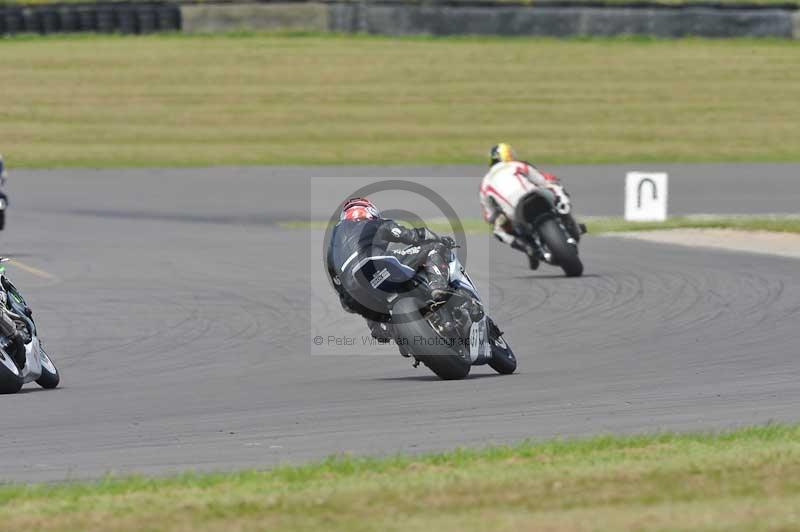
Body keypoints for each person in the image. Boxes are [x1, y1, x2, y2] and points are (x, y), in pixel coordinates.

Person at [326, 197, 453, 342]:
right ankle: (438, 288)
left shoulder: (333, 246)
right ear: (370, 211)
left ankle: (384, 328)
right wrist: (438, 238)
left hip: (352, 290)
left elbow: (336, 280)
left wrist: (371, 322)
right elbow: (408, 235)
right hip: (377, 264)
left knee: (362, 296)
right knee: (434, 248)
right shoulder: (373, 223)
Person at [479, 143, 583, 269]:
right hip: (536, 195)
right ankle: (565, 211)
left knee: (497, 230)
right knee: (553, 185)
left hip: (514, 212)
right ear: (509, 155)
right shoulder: (517, 165)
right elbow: (542, 179)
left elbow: (489, 214)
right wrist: (553, 182)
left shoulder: (485, 183)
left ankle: (528, 248)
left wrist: (498, 218)